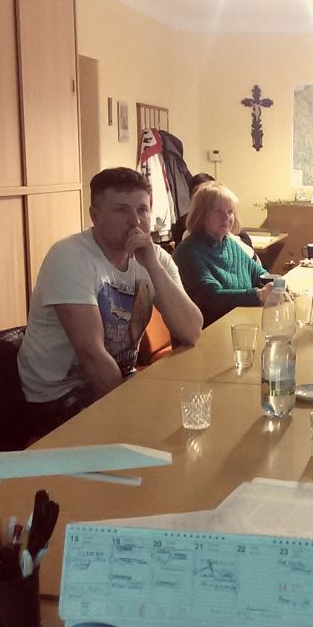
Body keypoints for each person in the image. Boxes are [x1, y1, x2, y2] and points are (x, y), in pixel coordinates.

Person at [17, 168, 203, 439]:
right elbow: (91, 354)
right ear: (95, 216)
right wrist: (129, 418)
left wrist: (152, 266)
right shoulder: (70, 257)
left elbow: (192, 330)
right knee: (160, 434)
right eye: (121, 210)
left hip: (118, 382)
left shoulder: (154, 257)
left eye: (142, 209)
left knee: (192, 419)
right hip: (58, 397)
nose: (135, 221)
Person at [173, 181, 274, 326]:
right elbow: (211, 298)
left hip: (238, 323)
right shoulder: (188, 252)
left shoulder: (229, 243)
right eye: (218, 211)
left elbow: (258, 273)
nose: (227, 217)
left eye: (230, 211)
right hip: (208, 332)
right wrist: (258, 295)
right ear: (201, 215)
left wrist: (277, 284)